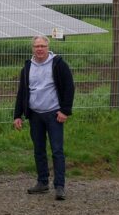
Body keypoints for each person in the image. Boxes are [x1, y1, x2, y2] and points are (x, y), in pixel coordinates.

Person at [13, 35, 75, 201]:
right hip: (35, 115)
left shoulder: (59, 64)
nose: (39, 49)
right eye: (36, 46)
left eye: (42, 46)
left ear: (48, 47)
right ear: (32, 48)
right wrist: (17, 115)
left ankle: (59, 186)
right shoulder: (27, 67)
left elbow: (69, 87)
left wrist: (65, 111)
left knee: (57, 150)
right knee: (38, 150)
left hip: (54, 113)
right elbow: (22, 92)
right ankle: (42, 182)